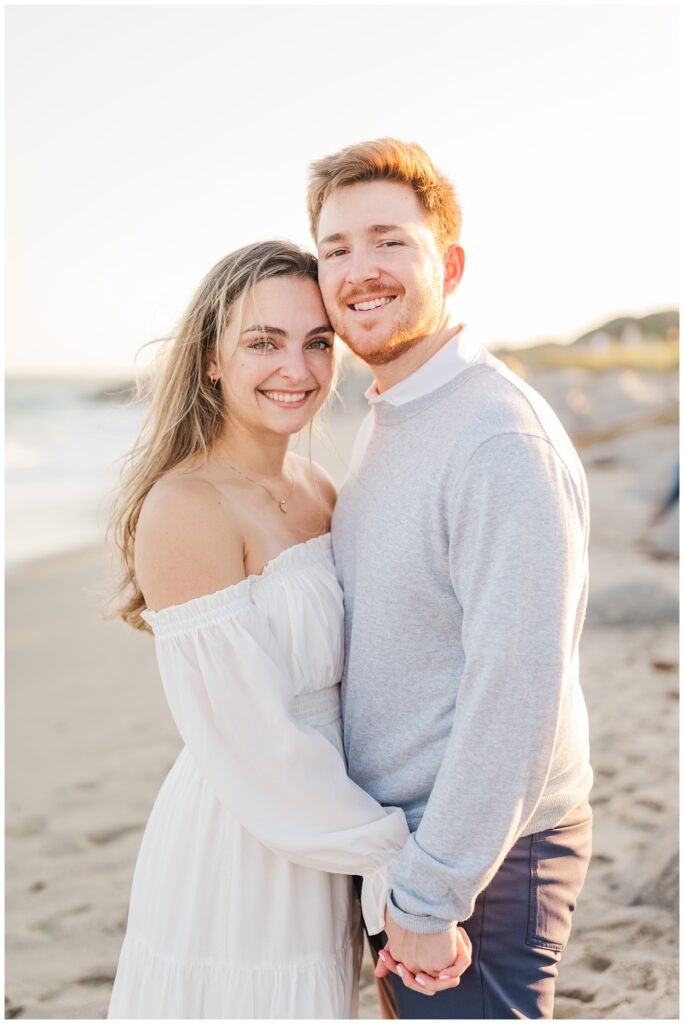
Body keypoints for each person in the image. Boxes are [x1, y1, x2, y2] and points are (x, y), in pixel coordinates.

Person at [105, 240, 442, 1019]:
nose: (296, 367)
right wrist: (397, 858)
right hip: (245, 831)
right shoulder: (186, 507)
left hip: (329, 824)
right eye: (263, 342)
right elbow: (251, 738)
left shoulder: (317, 484)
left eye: (317, 342)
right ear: (212, 359)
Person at [307, 139, 594, 1019]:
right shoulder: (396, 411)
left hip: (483, 855)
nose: (360, 271)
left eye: (389, 241)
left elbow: (517, 687)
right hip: (416, 846)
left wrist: (433, 895)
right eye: (336, 249)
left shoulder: (496, 439)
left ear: (451, 264)